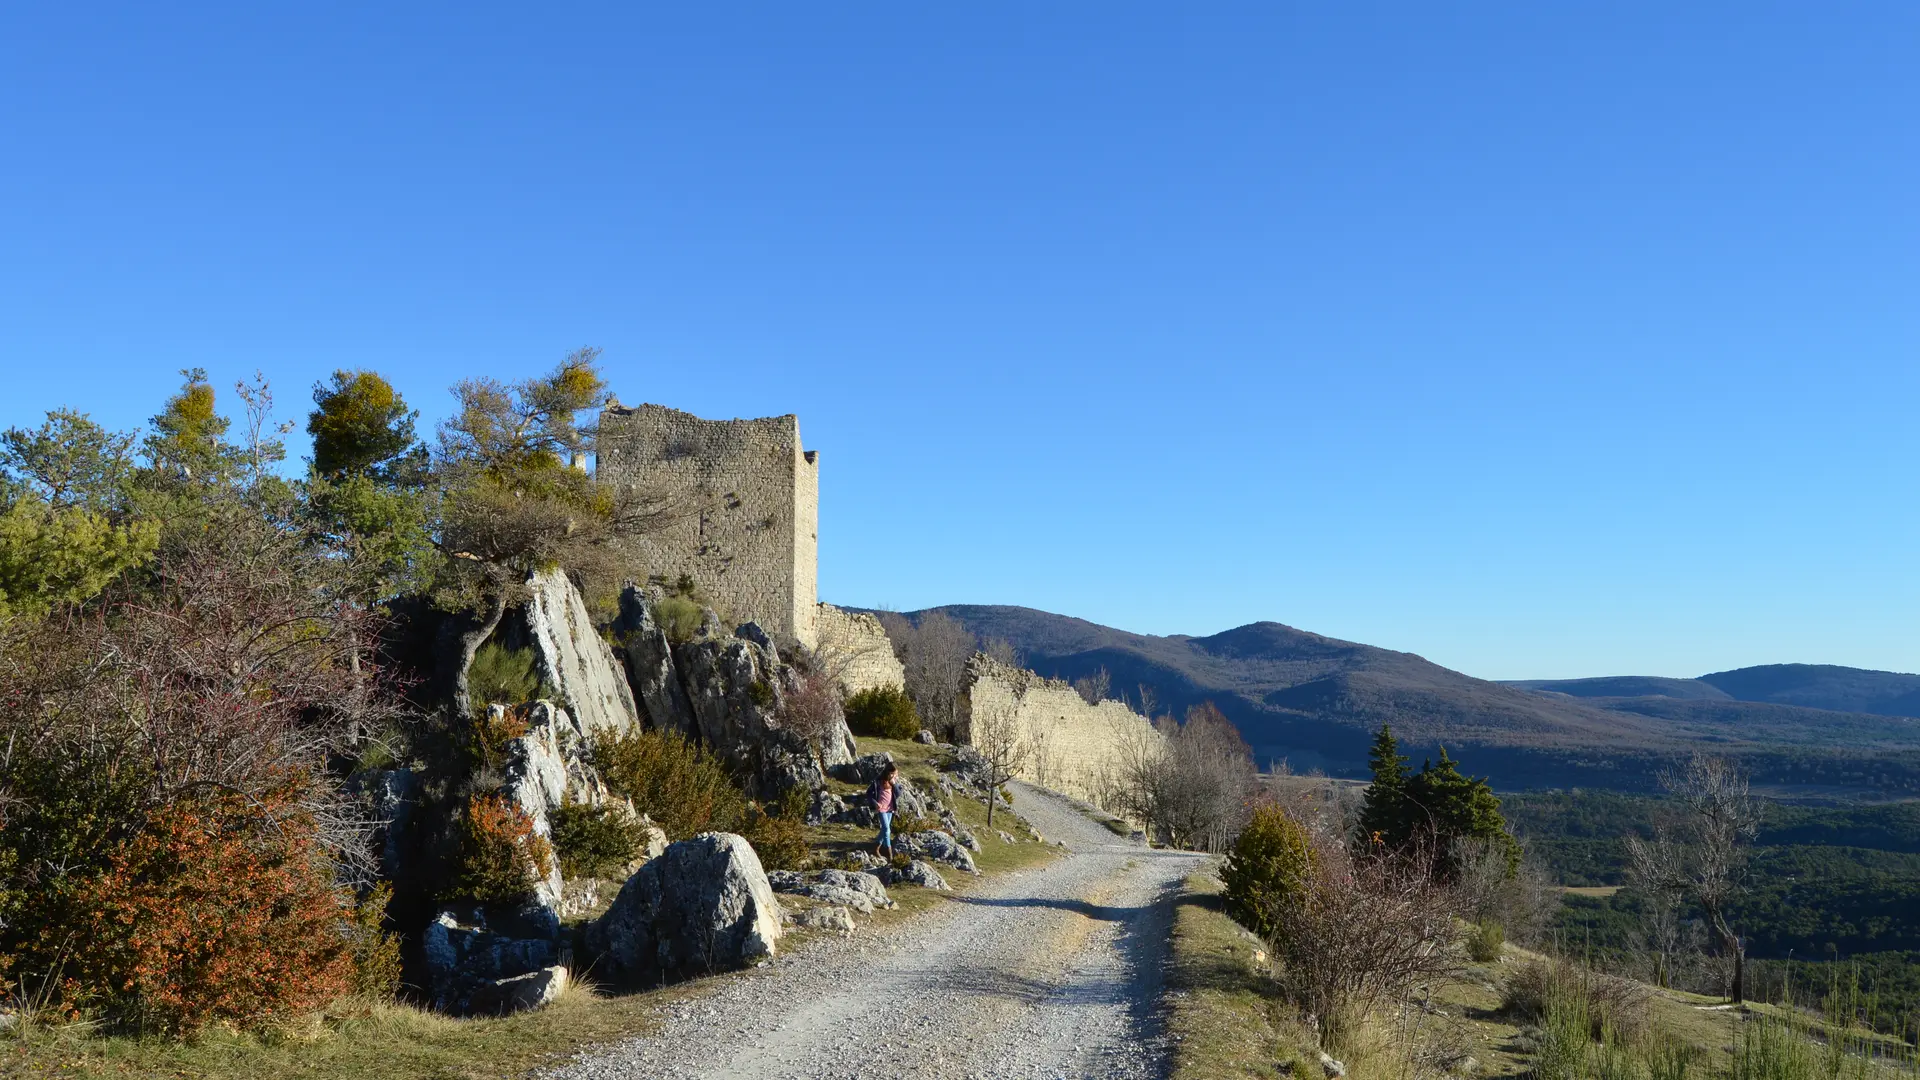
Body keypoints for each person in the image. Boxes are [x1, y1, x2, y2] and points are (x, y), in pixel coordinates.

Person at [869, 763, 899, 859]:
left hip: (890, 809)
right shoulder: (878, 782)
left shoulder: (893, 782)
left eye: (894, 774)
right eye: (891, 774)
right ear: (887, 772)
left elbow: (898, 794)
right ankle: (889, 853)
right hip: (881, 809)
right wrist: (875, 803)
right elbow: (868, 793)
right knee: (887, 829)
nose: (892, 776)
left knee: (884, 830)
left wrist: (894, 784)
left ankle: (876, 848)